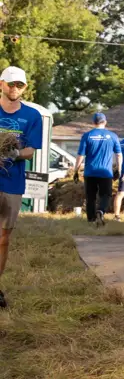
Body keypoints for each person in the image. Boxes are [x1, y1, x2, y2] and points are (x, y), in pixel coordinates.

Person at [0, 67, 43, 309]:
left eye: (20, 85)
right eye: (10, 84)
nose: (15, 88)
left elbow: (30, 150)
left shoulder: (32, 116)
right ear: (1, 84)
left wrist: (15, 152)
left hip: (12, 182)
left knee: (4, 237)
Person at [74, 112, 123, 227]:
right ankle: (100, 211)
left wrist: (76, 170)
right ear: (105, 122)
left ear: (93, 123)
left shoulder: (87, 135)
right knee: (106, 195)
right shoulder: (113, 136)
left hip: (90, 171)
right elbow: (119, 154)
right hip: (106, 172)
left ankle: (91, 220)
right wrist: (119, 169)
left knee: (90, 196)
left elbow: (80, 155)